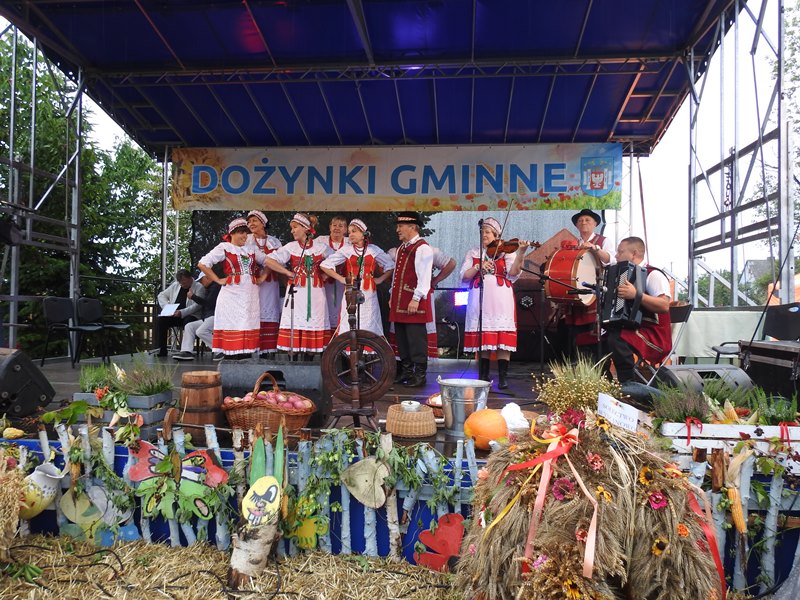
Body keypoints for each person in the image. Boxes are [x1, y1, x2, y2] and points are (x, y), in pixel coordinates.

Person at [460, 217, 531, 389]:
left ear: (496, 235)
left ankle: (502, 378)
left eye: (487, 232)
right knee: (483, 336)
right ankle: (483, 377)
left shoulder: (506, 252)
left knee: (502, 337)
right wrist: (478, 267)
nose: (484, 235)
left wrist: (521, 253)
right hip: (480, 297)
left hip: (500, 298)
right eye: (482, 232)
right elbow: (464, 276)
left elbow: (513, 273)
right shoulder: (474, 252)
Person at [197, 218, 269, 359]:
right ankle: (231, 363)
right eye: (241, 232)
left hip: (249, 296)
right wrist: (217, 280)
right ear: (232, 233)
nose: (245, 236)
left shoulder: (251, 249)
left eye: (246, 233)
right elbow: (203, 263)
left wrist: (262, 277)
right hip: (232, 295)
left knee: (247, 325)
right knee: (233, 326)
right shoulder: (224, 247)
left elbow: (269, 261)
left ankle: (245, 363)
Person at [604, 236, 672, 384]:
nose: (616, 256)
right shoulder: (625, 274)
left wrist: (636, 295)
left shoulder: (653, 274)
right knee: (602, 336)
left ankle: (629, 385)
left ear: (634, 254)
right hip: (635, 328)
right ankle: (604, 383)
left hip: (654, 335)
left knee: (617, 338)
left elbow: (664, 305)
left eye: (620, 252)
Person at [264, 213, 333, 355]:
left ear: (305, 228)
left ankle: (310, 359)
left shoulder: (321, 247)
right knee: (295, 324)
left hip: (316, 293)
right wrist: (287, 272)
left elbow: (337, 261)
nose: (292, 231)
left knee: (313, 323)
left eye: (295, 227)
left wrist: (326, 275)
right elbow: (269, 260)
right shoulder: (291, 247)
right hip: (297, 291)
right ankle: (294, 359)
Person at [320, 218, 395, 337]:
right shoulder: (347, 250)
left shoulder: (373, 250)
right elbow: (325, 265)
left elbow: (390, 265)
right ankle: (349, 346)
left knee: (369, 319)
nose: (351, 235)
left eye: (354, 231)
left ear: (363, 234)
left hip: (369, 292)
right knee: (350, 318)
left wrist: (380, 279)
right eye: (349, 232)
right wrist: (341, 279)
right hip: (351, 290)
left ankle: (368, 346)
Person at [562, 208, 615, 356]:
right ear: (576, 225)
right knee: (575, 332)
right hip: (576, 291)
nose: (583, 222)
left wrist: (595, 248)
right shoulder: (573, 243)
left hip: (595, 293)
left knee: (593, 332)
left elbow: (611, 261)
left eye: (587, 220)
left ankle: (597, 363)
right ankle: (578, 362)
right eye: (580, 221)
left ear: (595, 224)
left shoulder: (603, 241)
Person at [389, 211, 433, 387]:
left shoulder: (423, 248)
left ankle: (420, 375)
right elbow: (396, 275)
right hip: (400, 300)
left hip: (413, 301)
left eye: (401, 226)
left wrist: (416, 298)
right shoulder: (402, 248)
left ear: (412, 227)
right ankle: (407, 371)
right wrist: (392, 294)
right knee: (402, 338)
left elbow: (424, 276)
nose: (397, 230)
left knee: (416, 339)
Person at [386, 245, 455, 358]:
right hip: (401, 296)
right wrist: (394, 285)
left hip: (422, 295)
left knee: (420, 328)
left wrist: (435, 281)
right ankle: (404, 362)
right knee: (402, 329)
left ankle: (419, 362)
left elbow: (451, 263)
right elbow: (384, 267)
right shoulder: (396, 252)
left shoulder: (429, 251)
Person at [245, 210, 282, 355]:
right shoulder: (246, 239)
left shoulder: (274, 241)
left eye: (254, 220)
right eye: (249, 222)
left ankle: (267, 350)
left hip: (270, 285)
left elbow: (279, 262)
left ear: (263, 223)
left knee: (268, 310)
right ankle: (250, 349)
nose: (251, 224)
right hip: (252, 283)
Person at [154, 269, 205, 357]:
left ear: (190, 278)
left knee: (188, 322)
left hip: (191, 315)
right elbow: (161, 295)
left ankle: (186, 350)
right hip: (175, 314)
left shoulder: (199, 287)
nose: (182, 285)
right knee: (162, 320)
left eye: (184, 282)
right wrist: (167, 307)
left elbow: (197, 305)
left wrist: (182, 312)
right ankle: (162, 349)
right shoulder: (176, 285)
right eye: (181, 283)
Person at [172, 273, 220, 361]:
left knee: (201, 331)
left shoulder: (216, 287)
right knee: (189, 326)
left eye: (201, 280)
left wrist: (193, 297)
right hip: (208, 317)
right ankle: (187, 351)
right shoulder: (209, 288)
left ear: (207, 278)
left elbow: (209, 303)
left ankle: (220, 350)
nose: (201, 283)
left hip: (216, 316)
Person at [315, 215, 349, 330]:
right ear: (330, 227)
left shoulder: (349, 242)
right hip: (324, 284)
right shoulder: (320, 241)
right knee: (324, 308)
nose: (337, 228)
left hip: (343, 283)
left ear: (345, 229)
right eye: (334, 225)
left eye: (341, 226)